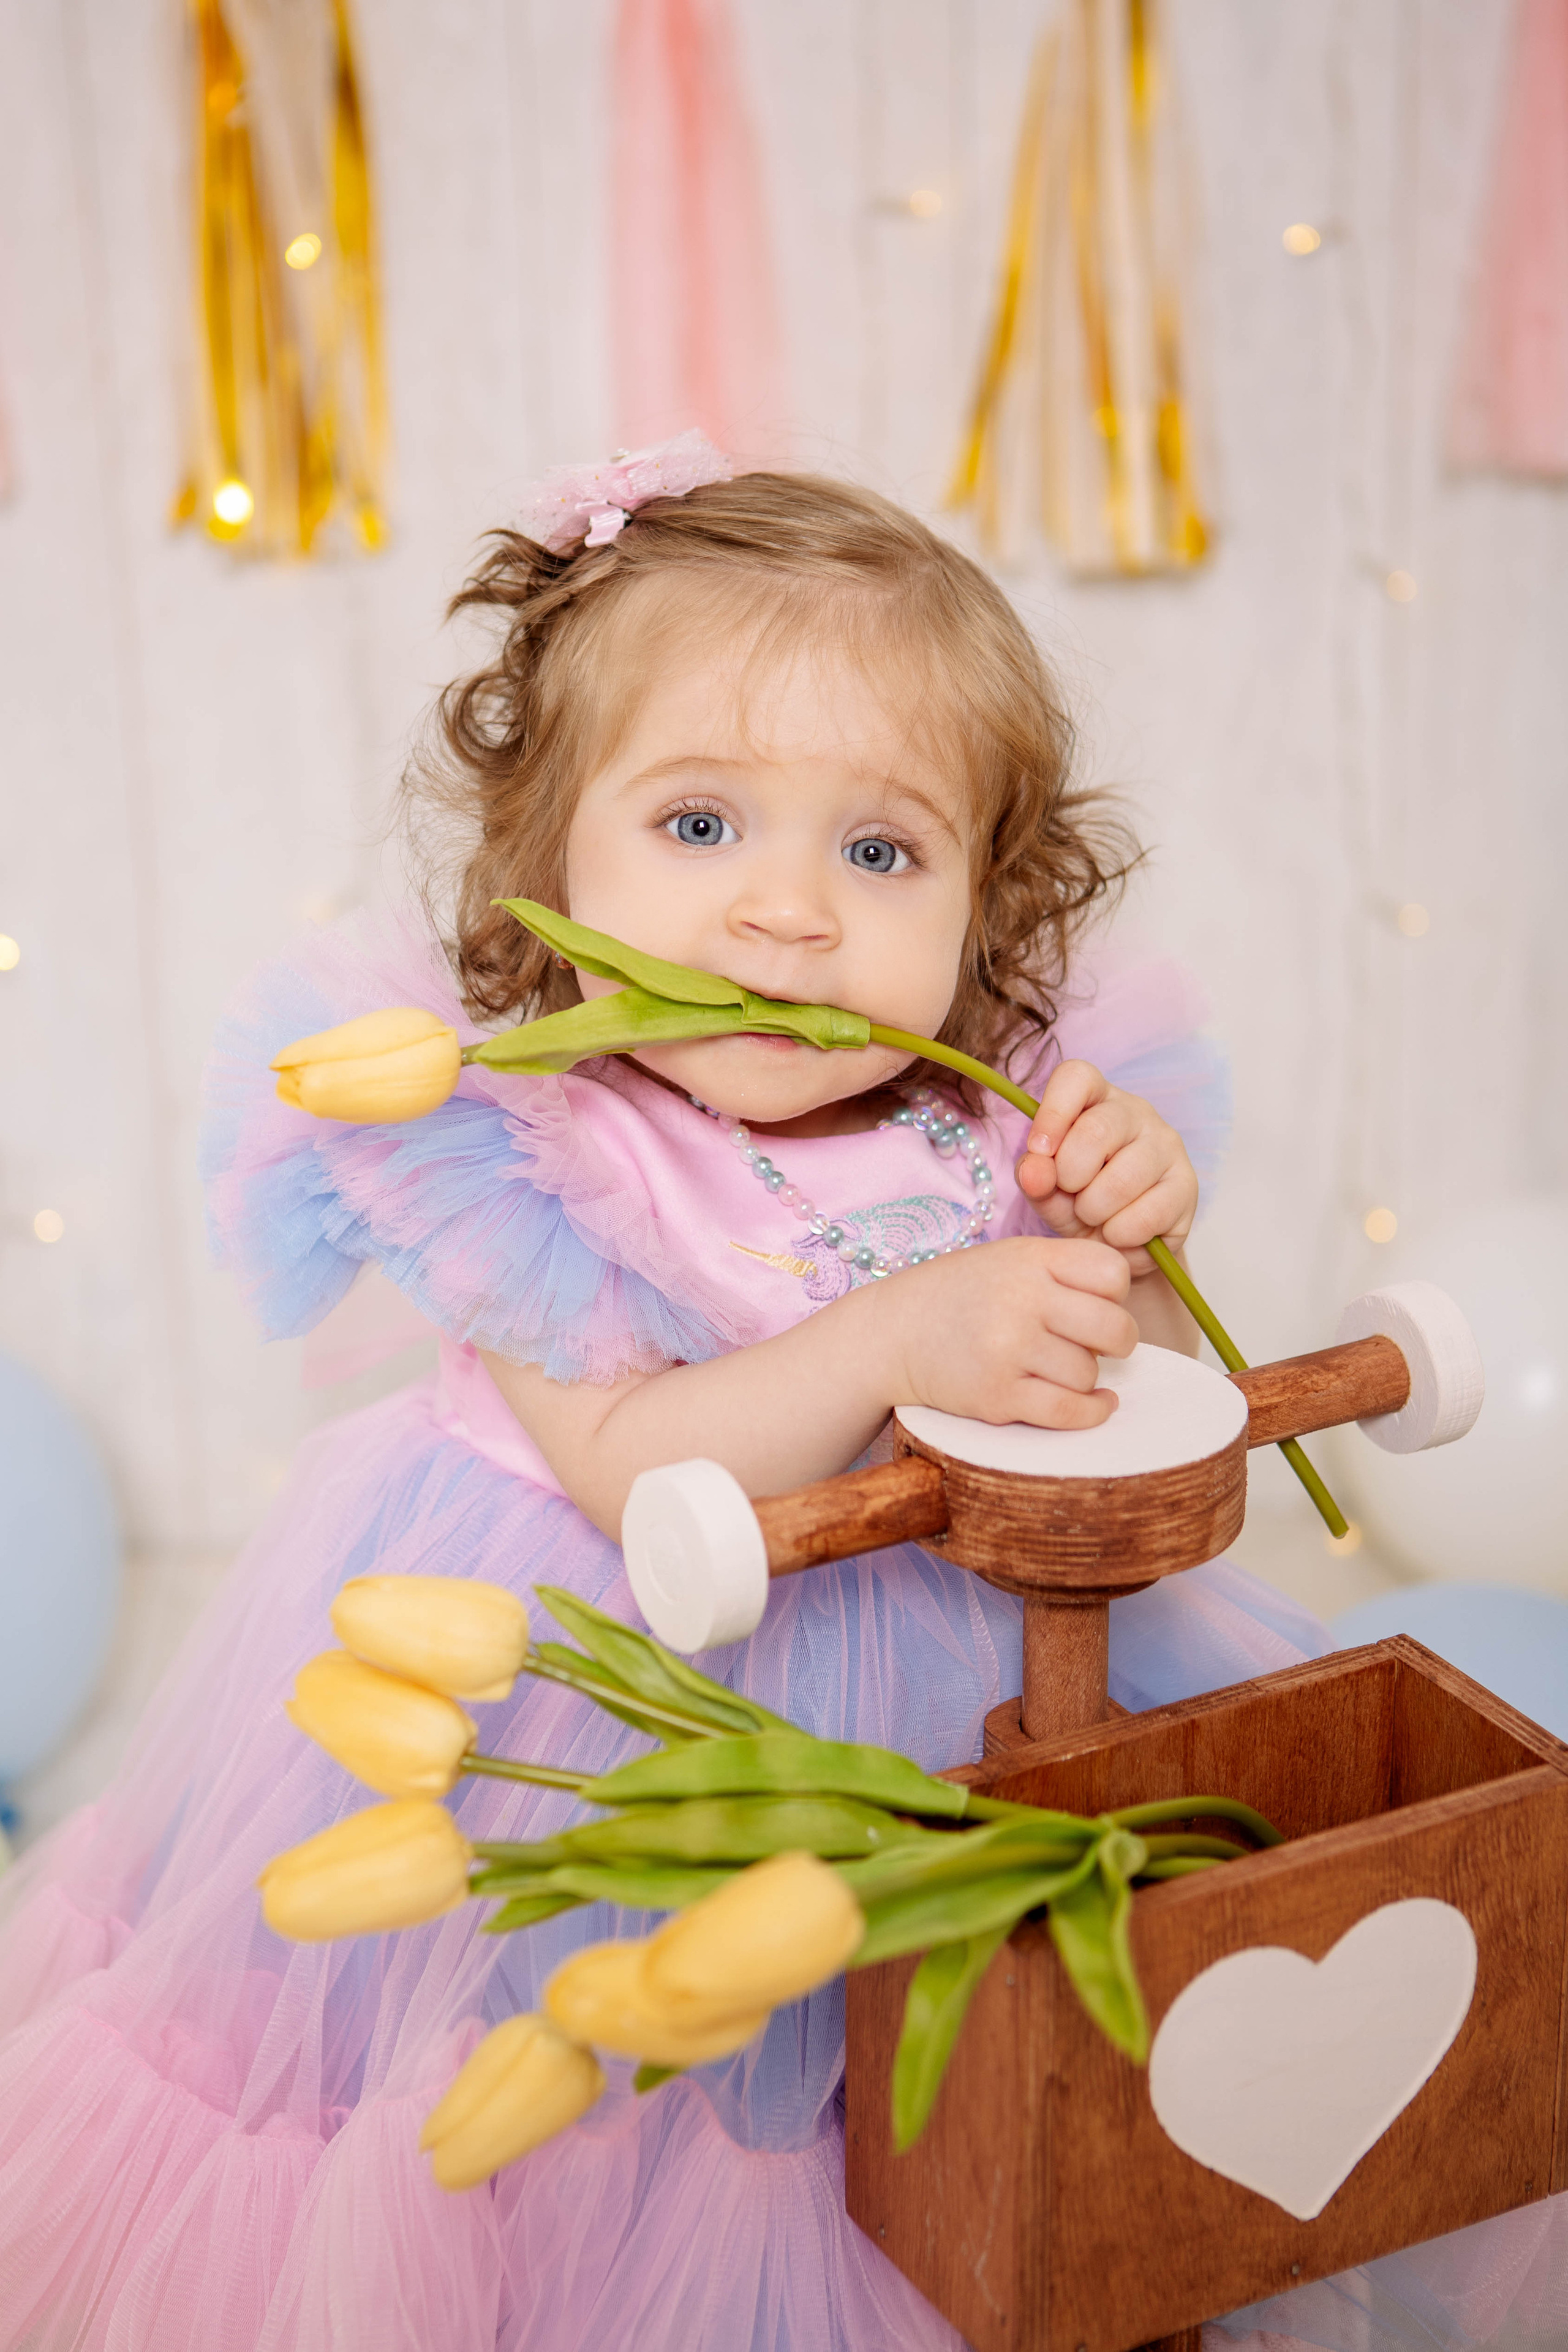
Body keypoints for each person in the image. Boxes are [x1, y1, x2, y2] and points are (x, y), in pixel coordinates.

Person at [1, 447, 1551, 2352]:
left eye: (879, 850)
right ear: (551, 852)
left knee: (1025, 2071)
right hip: (604, 1680)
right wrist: (897, 1343)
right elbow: (634, 1475)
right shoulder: (529, 1155)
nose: (789, 916)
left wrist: (1115, 1256)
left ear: (985, 902)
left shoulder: (985, 1121)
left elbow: (1106, 1409)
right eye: (702, 825)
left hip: (960, 1666)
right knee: (666, 2120)